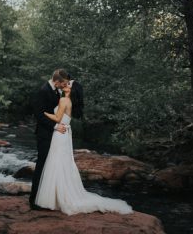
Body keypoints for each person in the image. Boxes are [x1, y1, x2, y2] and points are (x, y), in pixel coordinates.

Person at [34, 82, 133, 215]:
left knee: (57, 162)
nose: (66, 83)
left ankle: (56, 198)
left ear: (71, 89)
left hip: (60, 132)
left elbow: (57, 118)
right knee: (62, 163)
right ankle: (57, 197)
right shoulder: (67, 100)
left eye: (69, 83)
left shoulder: (64, 100)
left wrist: (44, 113)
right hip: (64, 133)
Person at [29, 68, 70, 210]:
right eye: (63, 83)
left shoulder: (56, 91)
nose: (64, 85)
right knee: (41, 165)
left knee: (50, 166)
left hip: (54, 135)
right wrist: (55, 126)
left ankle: (47, 198)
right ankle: (34, 200)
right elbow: (39, 115)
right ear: (57, 81)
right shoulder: (43, 91)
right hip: (44, 134)